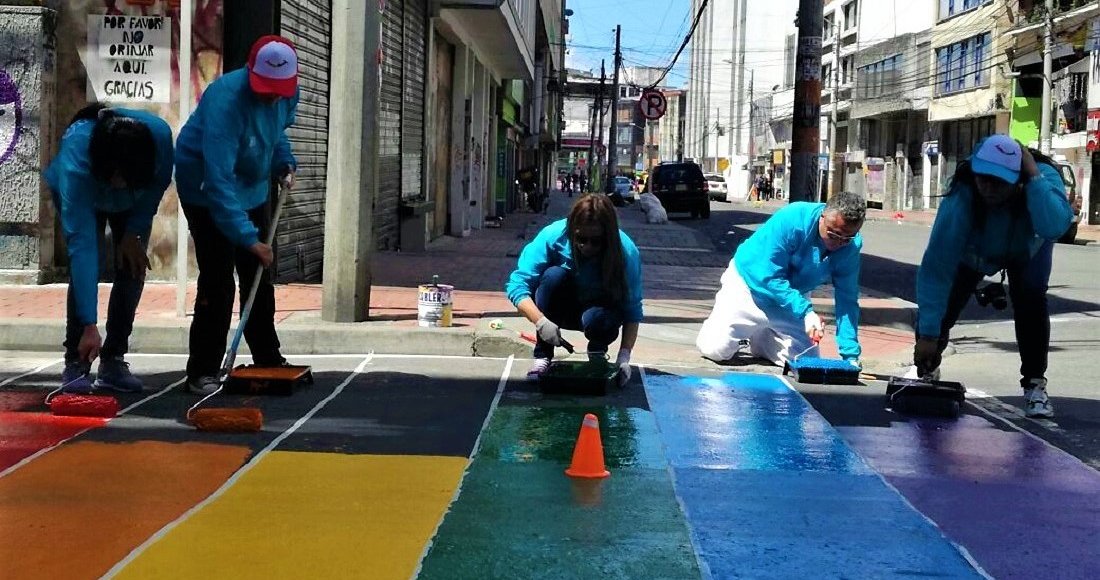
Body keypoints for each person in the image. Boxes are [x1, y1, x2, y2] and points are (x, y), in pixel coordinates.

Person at [912, 135, 1072, 418]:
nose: (988, 187)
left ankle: (1035, 384)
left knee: (1031, 296)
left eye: (999, 181)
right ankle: (927, 367)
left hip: (1027, 248)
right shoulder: (963, 191)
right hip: (974, 252)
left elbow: (1054, 227)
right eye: (983, 177)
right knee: (944, 304)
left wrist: (1033, 178)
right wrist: (927, 334)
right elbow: (937, 267)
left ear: (1018, 177)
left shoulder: (1042, 178)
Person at [175, 35, 299, 395]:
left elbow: (276, 134)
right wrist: (249, 239)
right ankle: (202, 369)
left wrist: (283, 163)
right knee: (218, 278)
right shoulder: (225, 101)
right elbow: (218, 182)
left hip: (252, 184)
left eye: (279, 90)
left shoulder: (288, 93)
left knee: (258, 274)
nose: (272, 96)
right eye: (266, 89)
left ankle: (267, 355)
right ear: (250, 72)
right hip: (205, 186)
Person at [44, 105, 173, 393]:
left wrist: (134, 232)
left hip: (134, 205)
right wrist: (90, 325)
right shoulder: (78, 156)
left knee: (133, 265)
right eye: (117, 179)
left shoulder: (159, 140)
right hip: (83, 192)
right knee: (88, 265)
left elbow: (154, 189)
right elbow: (83, 246)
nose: (120, 186)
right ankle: (76, 360)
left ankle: (113, 359)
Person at [696, 191, 866, 366]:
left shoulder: (850, 247)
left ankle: (762, 340)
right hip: (750, 287)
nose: (838, 243)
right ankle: (728, 329)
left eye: (847, 238)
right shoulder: (792, 219)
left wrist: (850, 355)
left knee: (805, 362)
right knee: (716, 349)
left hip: (791, 298)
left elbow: (847, 298)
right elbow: (770, 277)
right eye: (833, 234)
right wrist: (806, 312)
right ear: (823, 216)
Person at [506, 194, 644, 382]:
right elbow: (517, 286)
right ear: (572, 230)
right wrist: (540, 322)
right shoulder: (553, 236)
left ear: (608, 237)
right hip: (560, 310)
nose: (587, 246)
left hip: (599, 313)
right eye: (581, 239)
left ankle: (597, 351)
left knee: (600, 318)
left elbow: (632, 310)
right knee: (553, 276)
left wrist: (624, 357)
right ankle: (543, 355)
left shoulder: (626, 251)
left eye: (596, 241)